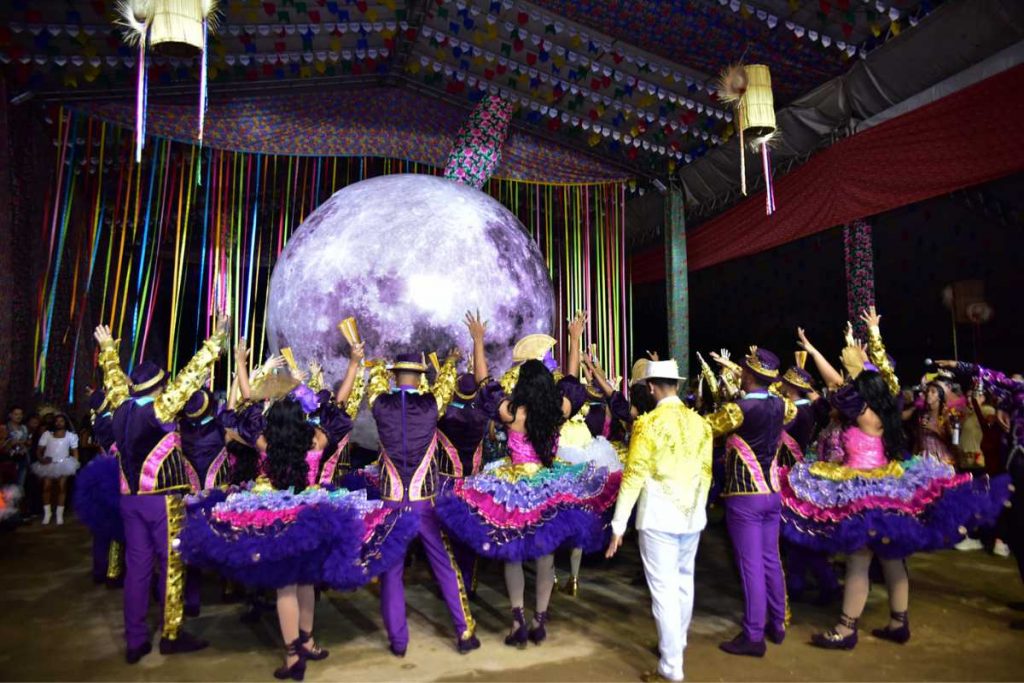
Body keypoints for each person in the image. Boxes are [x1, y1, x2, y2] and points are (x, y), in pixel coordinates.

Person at [778, 313, 1008, 649]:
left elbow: (837, 387)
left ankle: (846, 629)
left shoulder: (866, 416)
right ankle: (899, 623)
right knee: (892, 559)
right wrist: (863, 340)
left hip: (866, 492)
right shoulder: (886, 411)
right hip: (890, 489)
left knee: (859, 560)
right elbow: (863, 380)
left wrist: (822, 354)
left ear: (864, 392)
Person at [437, 312, 619, 648]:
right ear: (546, 386)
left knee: (514, 554)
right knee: (545, 554)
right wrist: (574, 340)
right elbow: (572, 380)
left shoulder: (513, 412)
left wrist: (478, 340)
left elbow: (483, 384)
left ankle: (517, 618)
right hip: (549, 484)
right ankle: (540, 620)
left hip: (514, 486)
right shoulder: (559, 409)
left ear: (522, 384)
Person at [94, 318, 228, 663]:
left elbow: (113, 379)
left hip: (130, 500)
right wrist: (215, 341)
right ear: (159, 387)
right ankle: (171, 633)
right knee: (172, 565)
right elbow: (190, 377)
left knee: (137, 567)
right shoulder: (159, 408)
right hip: (163, 501)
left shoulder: (121, 406)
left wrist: (109, 349)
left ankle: (135, 640)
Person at [366, 324, 481, 657]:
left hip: (390, 503)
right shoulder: (431, 405)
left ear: (395, 376)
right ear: (419, 377)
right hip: (423, 504)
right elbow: (447, 384)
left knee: (391, 572)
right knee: (445, 565)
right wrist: (452, 360)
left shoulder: (381, 405)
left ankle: (399, 642)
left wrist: (376, 364)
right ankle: (464, 632)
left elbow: (373, 383)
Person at [604, 358, 713, 683]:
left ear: (651, 388)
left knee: (664, 591)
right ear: (676, 385)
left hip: (658, 518)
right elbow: (705, 475)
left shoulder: (647, 425)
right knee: (683, 582)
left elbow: (634, 476)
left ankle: (671, 666)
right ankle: (675, 644)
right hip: (691, 516)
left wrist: (618, 526)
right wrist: (696, 508)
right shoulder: (701, 424)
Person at [705, 346, 795, 657]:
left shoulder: (738, 409)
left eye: (743, 370)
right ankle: (778, 623)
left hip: (745, 496)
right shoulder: (781, 406)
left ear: (748, 375)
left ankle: (754, 635)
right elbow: (791, 409)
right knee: (771, 558)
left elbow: (706, 428)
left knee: (751, 565)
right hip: (772, 494)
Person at [557, 350, 628, 597]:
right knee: (578, 523)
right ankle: (574, 579)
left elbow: (569, 380)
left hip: (561, 473)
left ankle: (554, 575)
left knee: (553, 521)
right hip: (585, 473)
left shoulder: (559, 424)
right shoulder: (584, 425)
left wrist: (574, 342)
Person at [436, 312, 491, 595]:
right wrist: (477, 344)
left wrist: (449, 364)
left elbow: (437, 396)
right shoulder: (482, 415)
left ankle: (451, 584)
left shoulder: (445, 417)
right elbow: (486, 388)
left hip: (445, 485)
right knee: (470, 537)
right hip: (474, 485)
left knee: (446, 540)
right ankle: (468, 583)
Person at [73, 388, 125, 585]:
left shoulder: (99, 419)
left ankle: (99, 569)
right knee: (116, 527)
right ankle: (113, 572)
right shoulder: (111, 421)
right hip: (115, 475)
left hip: (100, 474)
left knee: (100, 529)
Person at [31, 413, 80, 525]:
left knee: (62, 487)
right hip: (49, 463)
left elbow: (75, 452)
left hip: (64, 463)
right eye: (57, 421)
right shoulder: (47, 434)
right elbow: (39, 450)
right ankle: (47, 513)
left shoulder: (70, 436)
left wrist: (74, 466)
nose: (59, 423)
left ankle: (59, 514)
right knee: (46, 487)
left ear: (65, 422)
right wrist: (41, 459)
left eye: (61, 421)